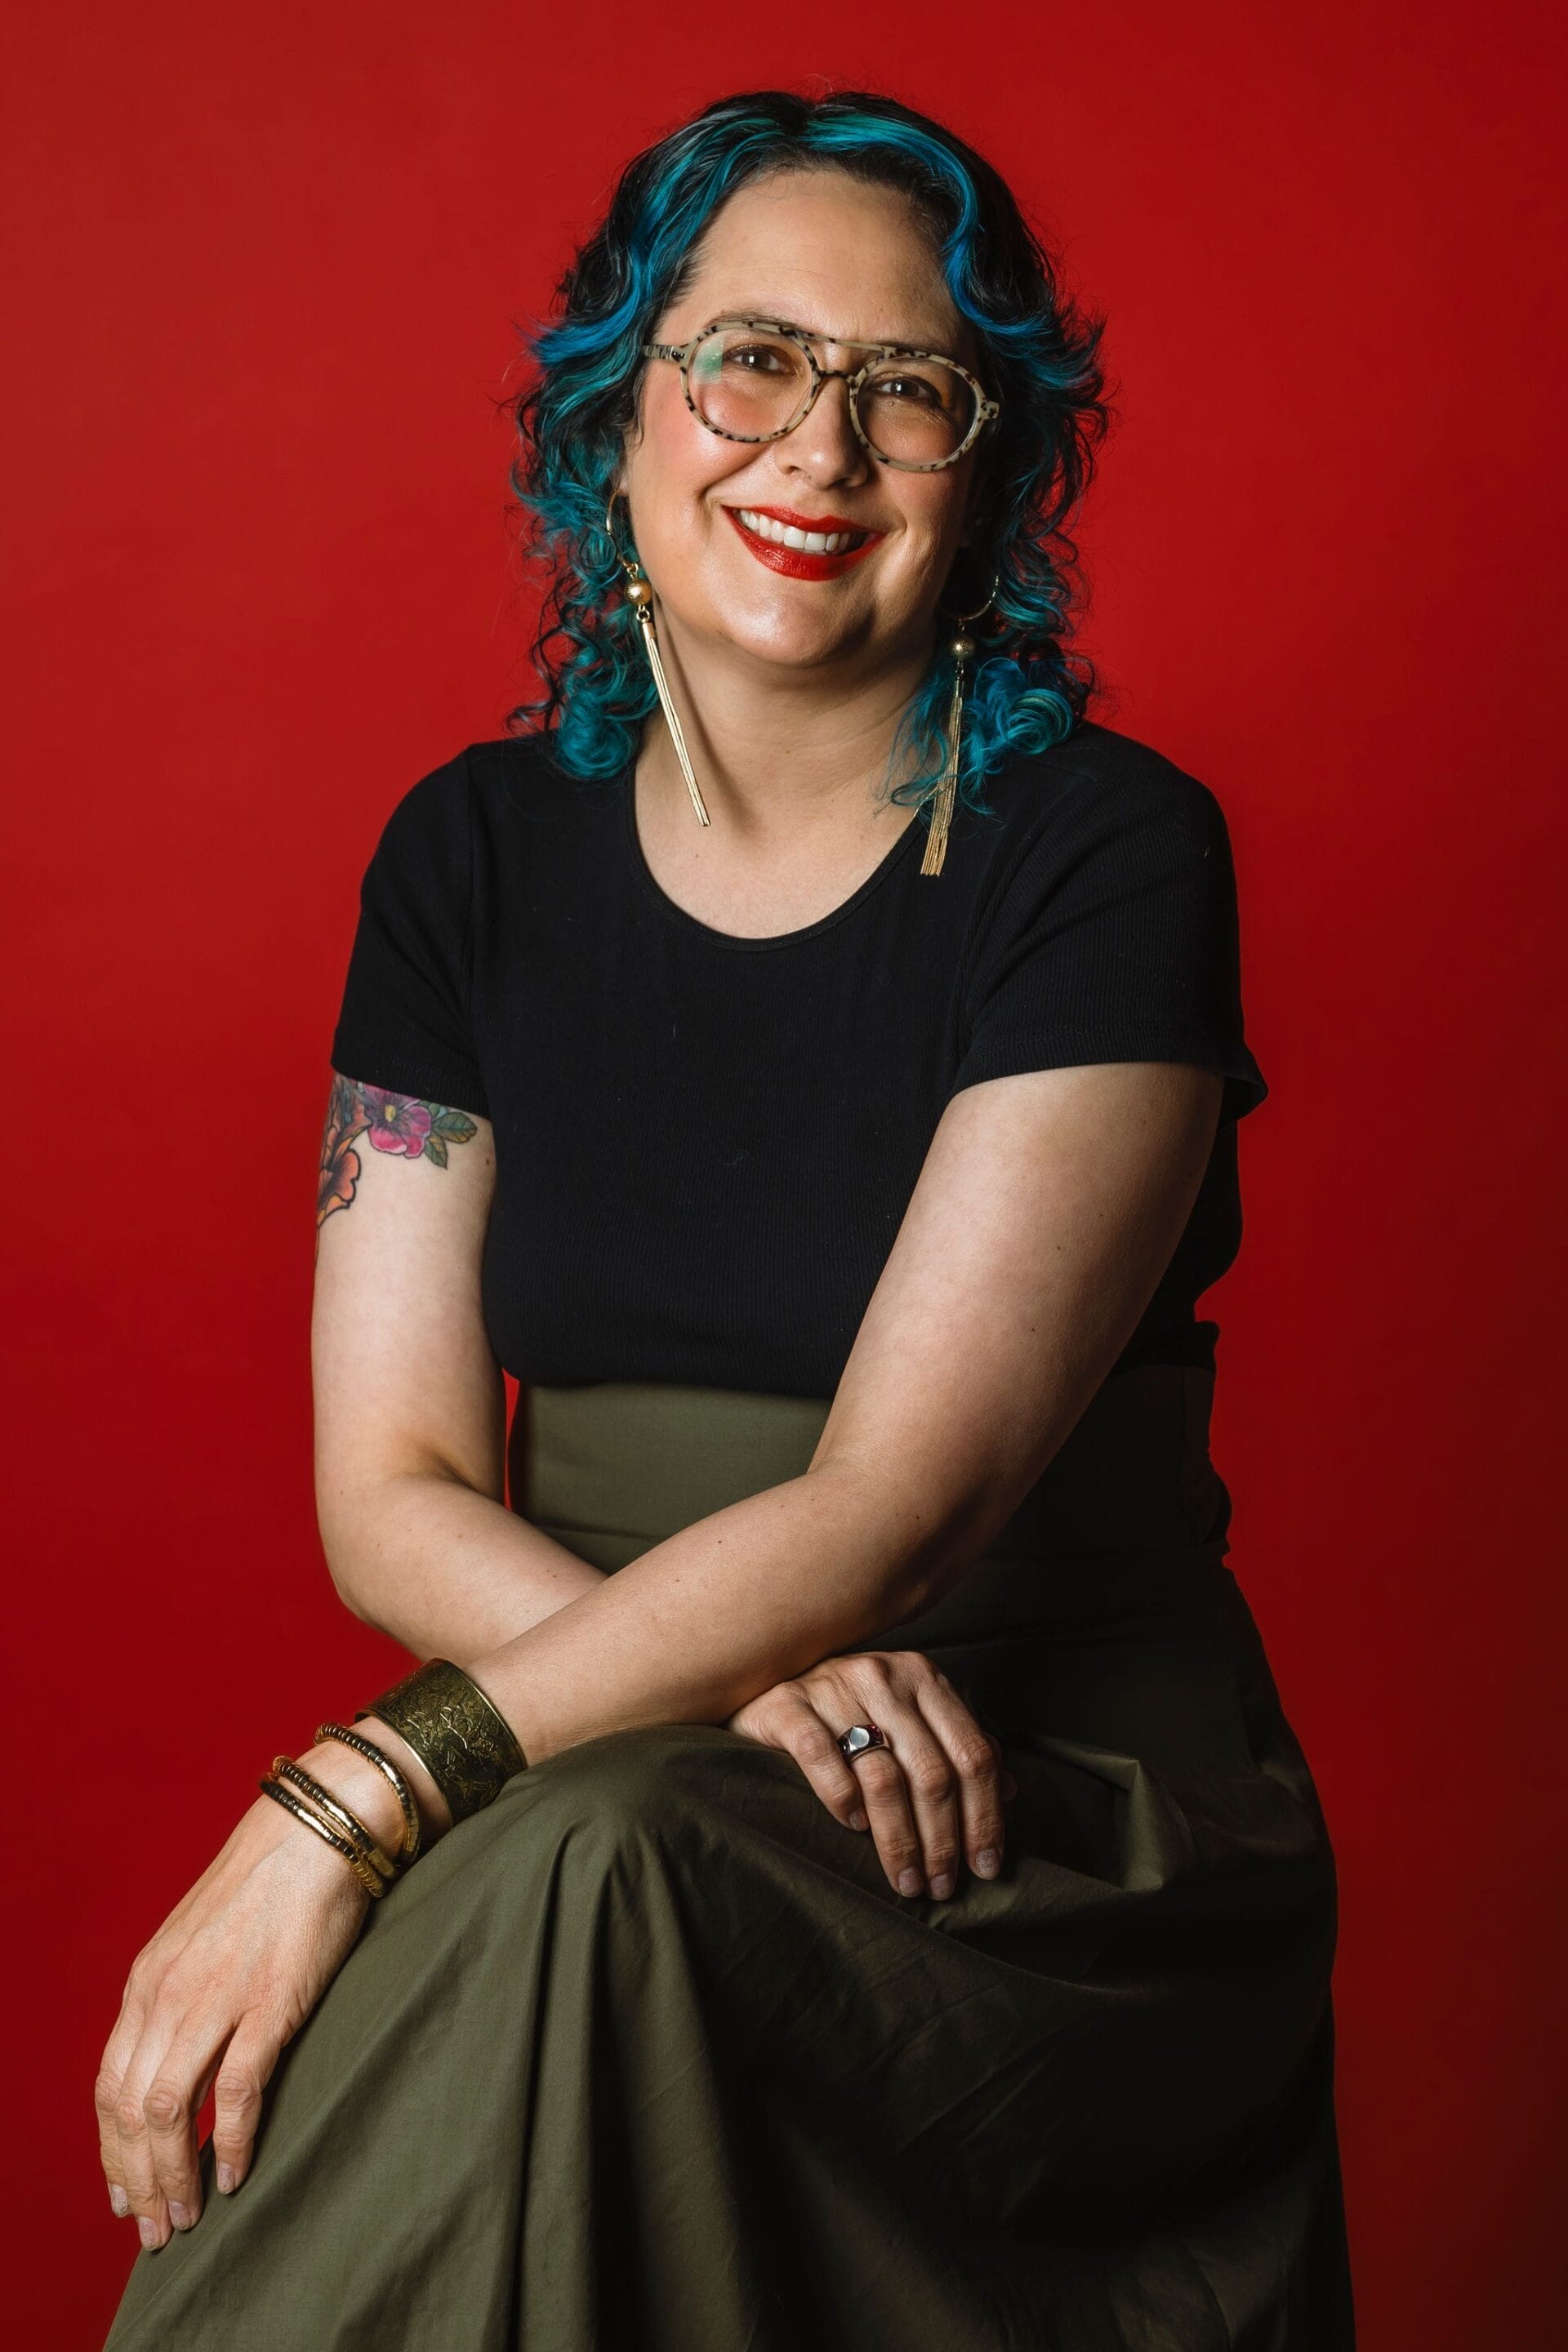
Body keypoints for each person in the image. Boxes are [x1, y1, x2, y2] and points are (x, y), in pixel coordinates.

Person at [97, 85, 1355, 2352]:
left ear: (993, 474)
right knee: (596, 1864)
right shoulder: (462, 860)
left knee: (587, 1873)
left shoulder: (1109, 853)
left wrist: (351, 1800)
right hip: (630, 1732)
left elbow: (891, 1509)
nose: (819, 453)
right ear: (618, 409)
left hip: (1026, 1805)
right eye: (750, 360)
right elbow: (385, 1487)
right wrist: (738, 1674)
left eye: (910, 391)